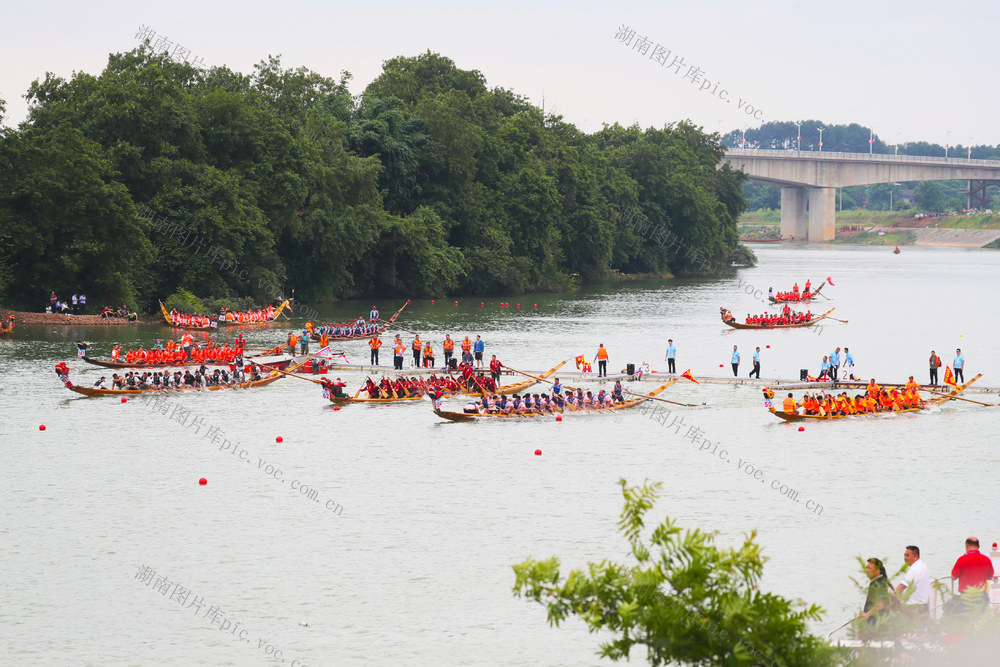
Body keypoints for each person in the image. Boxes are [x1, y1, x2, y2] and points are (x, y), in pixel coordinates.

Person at [948, 536, 994, 614]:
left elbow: (953, 577)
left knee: (948, 605)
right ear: (979, 546)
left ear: (967, 546)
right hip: (982, 596)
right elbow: (990, 577)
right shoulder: (986, 559)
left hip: (966, 597)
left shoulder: (962, 559)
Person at [895, 545, 930, 614]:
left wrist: (893, 601)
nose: (905, 558)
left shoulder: (915, 569)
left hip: (914, 607)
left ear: (915, 556)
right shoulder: (923, 565)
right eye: (904, 555)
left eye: (907, 556)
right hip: (924, 605)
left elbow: (901, 587)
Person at [860, 558, 892, 624]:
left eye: (869, 568)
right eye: (866, 568)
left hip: (879, 624)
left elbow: (881, 605)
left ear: (878, 571)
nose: (867, 570)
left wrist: (866, 615)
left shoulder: (880, 584)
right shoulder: (876, 582)